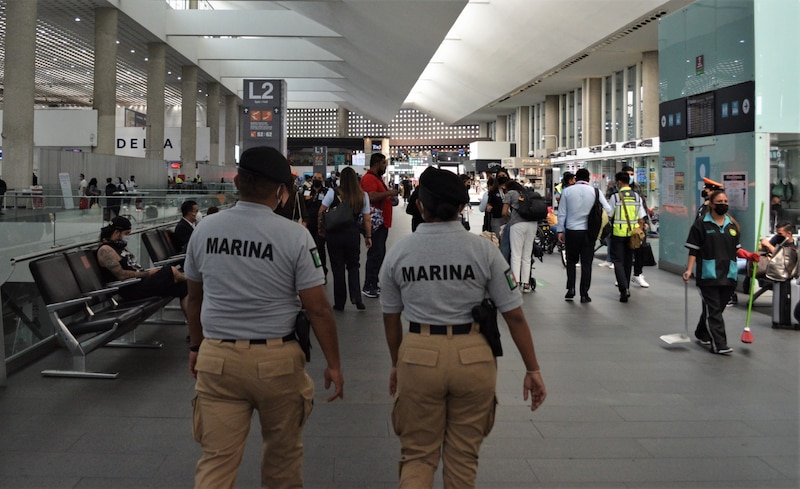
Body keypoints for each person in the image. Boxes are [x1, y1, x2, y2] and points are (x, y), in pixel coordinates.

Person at [184, 145, 344, 488]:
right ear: (282, 191)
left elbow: (193, 298)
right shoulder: (295, 236)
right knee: (283, 460)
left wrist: (196, 346)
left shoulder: (205, 230)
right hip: (278, 361)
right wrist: (333, 362)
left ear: (238, 181)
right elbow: (317, 307)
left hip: (217, 358)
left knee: (216, 461)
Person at [380, 166, 546, 488]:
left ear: (419, 205)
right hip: (473, 356)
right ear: (461, 208)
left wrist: (396, 363)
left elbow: (389, 316)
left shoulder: (399, 252)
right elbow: (514, 315)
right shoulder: (484, 250)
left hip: (418, 353)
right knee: (462, 459)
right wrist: (533, 369)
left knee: (417, 455)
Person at [683, 189, 759, 354]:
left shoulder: (731, 226)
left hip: (728, 275)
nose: (723, 204)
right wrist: (689, 270)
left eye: (725, 202)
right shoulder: (701, 224)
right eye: (720, 202)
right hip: (708, 275)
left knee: (716, 308)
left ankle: (702, 332)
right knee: (714, 309)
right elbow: (694, 250)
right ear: (711, 204)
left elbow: (737, 249)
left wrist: (750, 256)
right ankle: (719, 344)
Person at [95, 216, 188, 318]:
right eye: (126, 234)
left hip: (142, 283)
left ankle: (193, 328)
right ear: (117, 233)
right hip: (133, 289)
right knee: (170, 271)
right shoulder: (105, 250)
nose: (128, 237)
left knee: (182, 287)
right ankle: (193, 281)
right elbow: (121, 275)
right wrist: (147, 273)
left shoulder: (119, 247)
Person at [318, 167, 371, 311]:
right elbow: (367, 219)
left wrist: (322, 228)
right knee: (354, 266)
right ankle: (357, 299)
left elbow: (321, 211)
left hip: (334, 235)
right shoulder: (362, 195)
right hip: (352, 234)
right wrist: (368, 236)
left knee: (338, 268)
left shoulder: (332, 192)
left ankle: (339, 303)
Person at [557, 168, 611, 303]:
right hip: (589, 232)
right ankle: (584, 293)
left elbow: (562, 213)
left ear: (576, 178)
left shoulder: (567, 191)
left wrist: (559, 231)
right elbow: (609, 210)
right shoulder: (596, 192)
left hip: (572, 231)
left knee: (571, 261)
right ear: (588, 179)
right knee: (587, 263)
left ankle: (571, 289)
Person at [360, 152, 399, 298]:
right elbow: (370, 196)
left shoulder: (377, 178)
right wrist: (389, 193)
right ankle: (369, 285)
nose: (385, 166)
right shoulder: (369, 178)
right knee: (375, 254)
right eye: (384, 163)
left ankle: (373, 283)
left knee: (379, 254)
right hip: (376, 223)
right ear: (377, 163)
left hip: (382, 222)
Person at [607, 171, 646, 303]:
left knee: (618, 261)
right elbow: (641, 218)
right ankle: (627, 287)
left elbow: (610, 216)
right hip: (632, 235)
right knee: (628, 261)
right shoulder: (637, 197)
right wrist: (639, 231)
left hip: (618, 234)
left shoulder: (615, 197)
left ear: (619, 182)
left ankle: (624, 289)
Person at [501, 176, 538, 293]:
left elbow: (504, 212)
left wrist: (507, 220)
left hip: (517, 225)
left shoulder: (510, 193)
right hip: (532, 224)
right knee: (527, 256)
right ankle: (526, 284)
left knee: (516, 255)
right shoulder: (527, 193)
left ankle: (515, 283)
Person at [621, 166, 651, 288]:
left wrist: (645, 222)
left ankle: (637, 274)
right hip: (622, 227)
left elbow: (643, 205)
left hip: (637, 226)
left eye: (632, 173)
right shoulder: (615, 188)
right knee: (624, 253)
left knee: (640, 250)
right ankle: (622, 276)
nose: (631, 176)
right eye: (629, 174)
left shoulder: (637, 187)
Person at [299, 173, 329, 279]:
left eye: (319, 178)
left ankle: (322, 272)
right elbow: (302, 206)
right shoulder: (306, 191)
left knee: (319, 248)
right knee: (308, 249)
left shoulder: (326, 192)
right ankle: (310, 271)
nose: (317, 180)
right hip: (309, 224)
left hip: (321, 225)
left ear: (322, 179)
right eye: (315, 178)